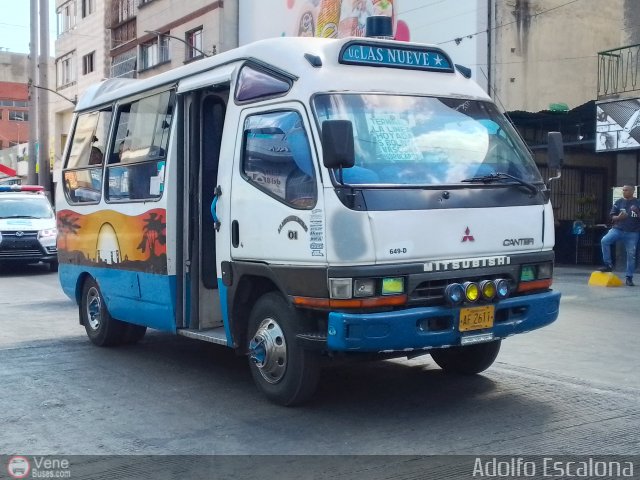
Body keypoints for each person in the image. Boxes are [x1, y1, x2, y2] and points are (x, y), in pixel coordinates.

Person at [599, 185, 640, 286]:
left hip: (632, 232)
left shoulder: (638, 203)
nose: (624, 192)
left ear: (633, 191)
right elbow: (612, 216)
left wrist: (637, 212)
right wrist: (618, 217)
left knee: (631, 255)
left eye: (626, 190)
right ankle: (608, 264)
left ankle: (629, 277)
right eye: (623, 190)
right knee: (605, 240)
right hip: (617, 229)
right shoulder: (618, 202)